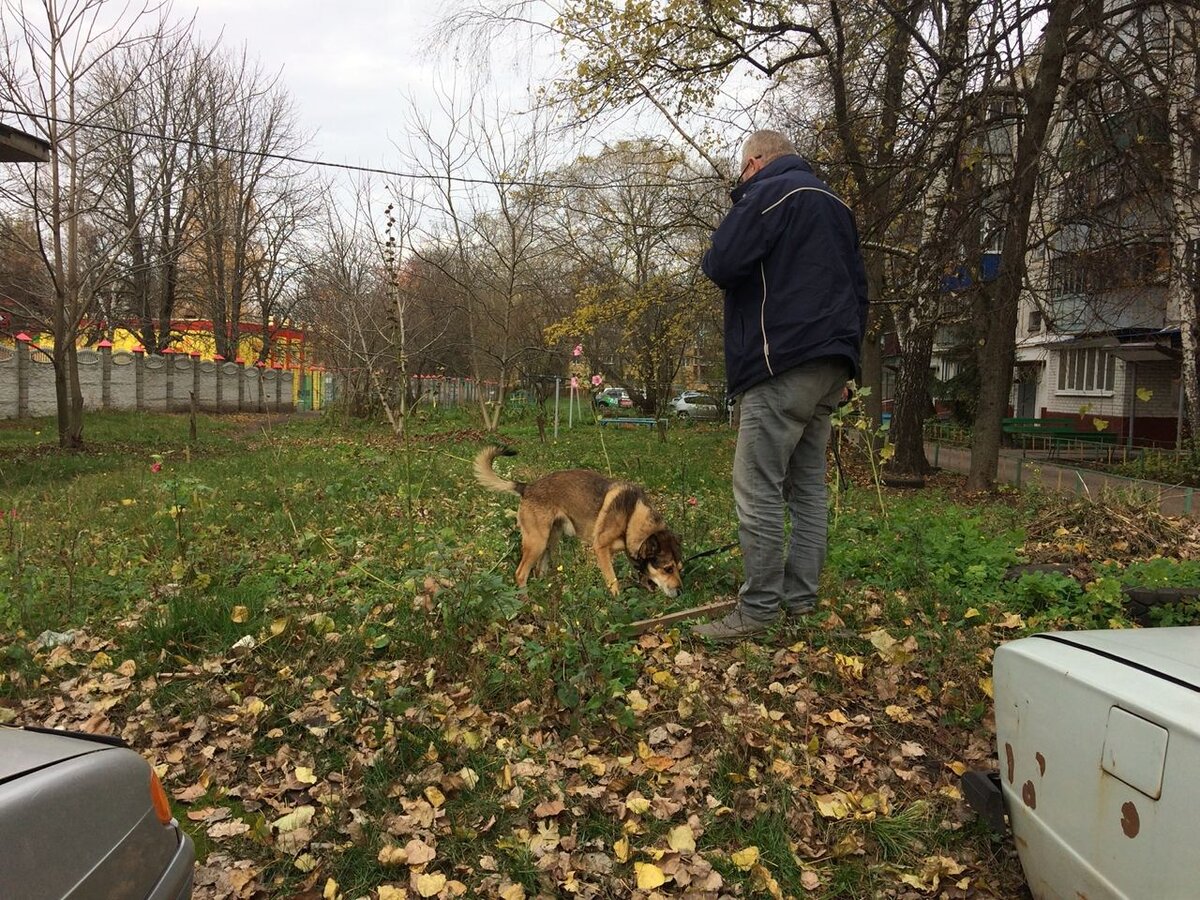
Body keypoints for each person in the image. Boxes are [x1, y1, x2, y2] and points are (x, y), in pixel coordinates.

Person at [693, 130, 868, 640]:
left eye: (741, 171)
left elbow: (722, 262)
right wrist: (848, 360)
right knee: (809, 488)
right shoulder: (836, 205)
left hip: (780, 362)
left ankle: (758, 611)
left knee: (758, 487)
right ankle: (800, 601)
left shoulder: (769, 193)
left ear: (755, 161)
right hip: (831, 364)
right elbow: (860, 290)